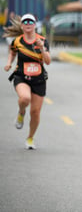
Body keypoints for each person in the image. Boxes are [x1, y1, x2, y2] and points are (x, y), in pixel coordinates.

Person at [3, 13, 51, 150]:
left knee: (35, 112)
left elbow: (47, 62)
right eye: (25, 22)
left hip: (39, 80)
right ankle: (21, 112)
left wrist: (41, 48)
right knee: (24, 98)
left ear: (35, 25)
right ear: (22, 26)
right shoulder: (17, 41)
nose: (28, 24)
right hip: (21, 76)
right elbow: (12, 52)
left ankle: (30, 138)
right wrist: (9, 63)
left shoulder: (42, 40)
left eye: (31, 22)